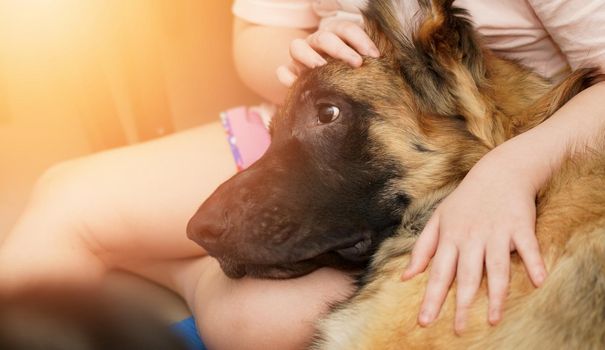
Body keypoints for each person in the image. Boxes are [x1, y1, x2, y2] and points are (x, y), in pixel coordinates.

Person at [1, 0, 604, 348]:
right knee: (66, 197)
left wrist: (507, 171)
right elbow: (259, 35)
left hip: (512, 147)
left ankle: (175, 270)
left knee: (261, 322)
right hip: (300, 117)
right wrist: (307, 50)